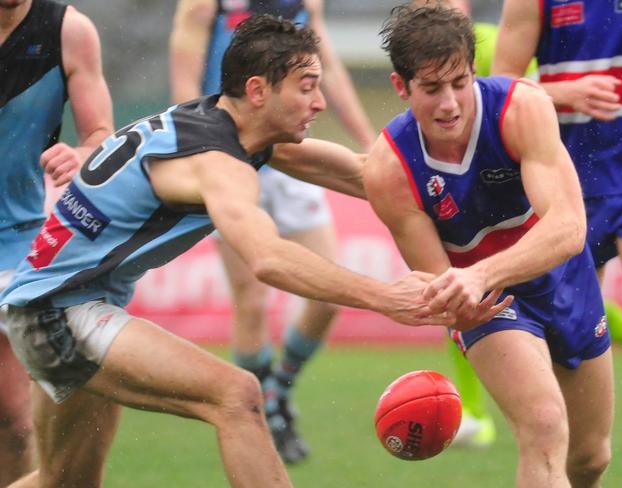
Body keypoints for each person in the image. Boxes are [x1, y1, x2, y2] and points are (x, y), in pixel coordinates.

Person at [0, 15, 482, 487]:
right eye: (307, 86)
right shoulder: (217, 161)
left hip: (57, 304)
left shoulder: (229, 127)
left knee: (66, 482)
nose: (319, 102)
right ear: (257, 91)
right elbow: (268, 258)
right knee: (237, 395)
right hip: (56, 313)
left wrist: (480, 193)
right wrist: (384, 297)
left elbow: (365, 175)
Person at [364, 4, 613, 487]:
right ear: (401, 88)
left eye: (459, 83)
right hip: (491, 305)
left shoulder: (521, 108)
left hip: (564, 277)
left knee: (590, 458)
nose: (450, 103)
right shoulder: (388, 169)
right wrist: (461, 296)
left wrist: (479, 273)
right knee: (542, 422)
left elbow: (567, 228)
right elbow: (446, 288)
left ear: (474, 72)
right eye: (431, 89)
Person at [168, 0, 376, 463]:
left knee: (326, 293)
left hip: (287, 149)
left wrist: (368, 140)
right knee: (252, 298)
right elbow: (184, 82)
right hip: (226, 151)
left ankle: (280, 389)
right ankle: (261, 415)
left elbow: (328, 69)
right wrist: (200, 151)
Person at [492, 0, 622, 434]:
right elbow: (497, 86)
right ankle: (578, 465)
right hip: (566, 183)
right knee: (571, 344)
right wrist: (562, 92)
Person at [0, 0, 113, 484]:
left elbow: (100, 136)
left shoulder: (69, 31)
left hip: (16, 244)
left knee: (14, 422)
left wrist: (80, 155)